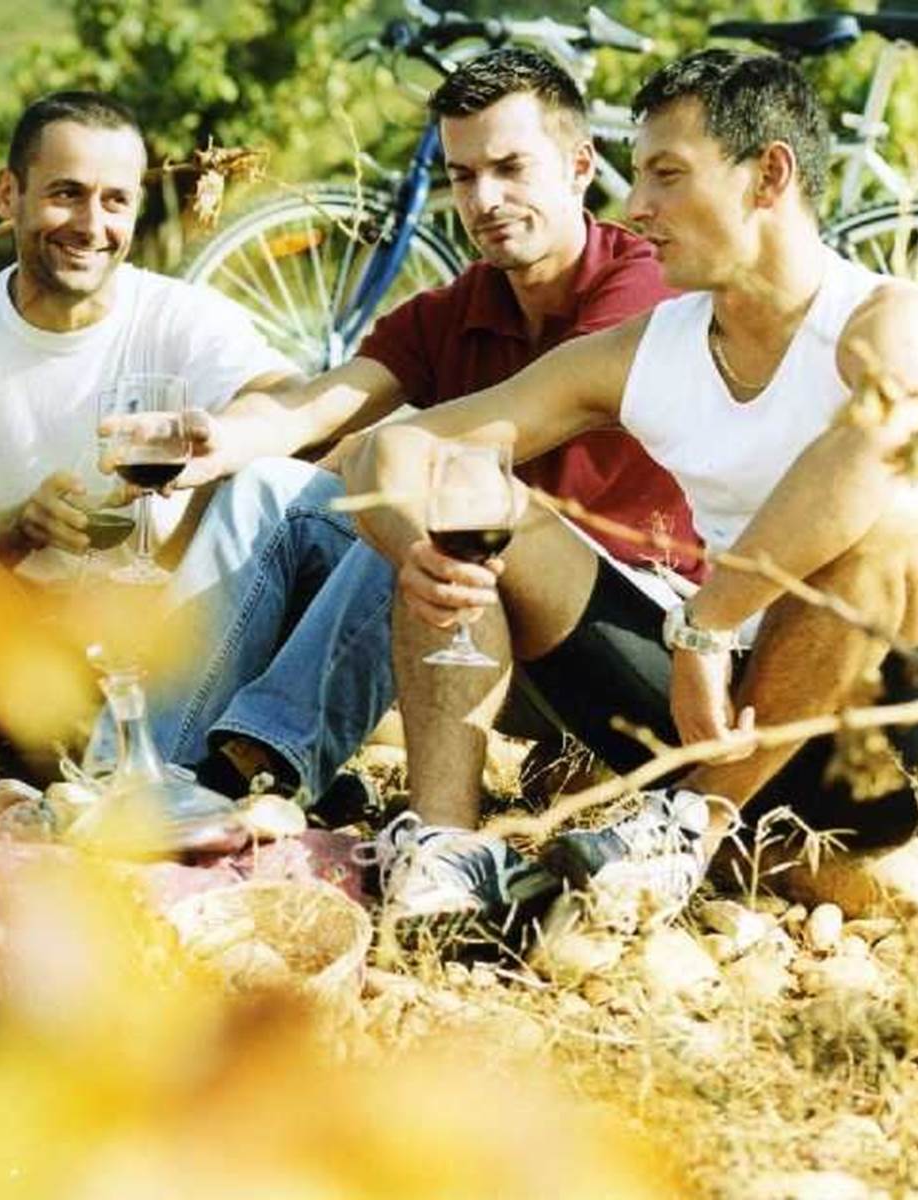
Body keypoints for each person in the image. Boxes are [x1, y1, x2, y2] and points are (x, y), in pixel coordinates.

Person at [343, 49, 918, 933]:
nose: (635, 207)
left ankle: (696, 830)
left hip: (875, 745)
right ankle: (448, 854)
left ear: (769, 174)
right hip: (701, 722)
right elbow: (397, 446)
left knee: (886, 524)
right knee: (480, 514)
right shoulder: (646, 349)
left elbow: (878, 440)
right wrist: (412, 545)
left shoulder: (884, 316)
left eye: (666, 174)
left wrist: (709, 619)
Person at [115, 49, 697, 810]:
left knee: (423, 501)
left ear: (580, 165)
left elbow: (437, 461)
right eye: (463, 176)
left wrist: (374, 468)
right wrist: (219, 439)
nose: (485, 198)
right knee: (266, 487)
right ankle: (144, 765)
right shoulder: (459, 306)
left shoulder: (637, 289)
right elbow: (320, 403)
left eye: (511, 168)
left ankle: (256, 771)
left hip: (616, 630)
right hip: (468, 623)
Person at [0, 90, 305, 744]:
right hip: (11, 651)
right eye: (66, 193)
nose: (91, 224)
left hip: (173, 641)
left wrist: (212, 453)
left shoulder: (179, 317)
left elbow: (286, 397)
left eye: (115, 200)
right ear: (8, 193)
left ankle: (131, 736)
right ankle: (89, 739)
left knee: (275, 476)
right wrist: (18, 530)